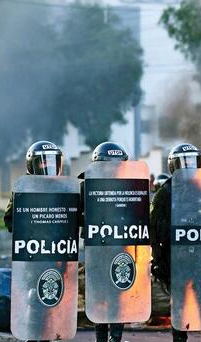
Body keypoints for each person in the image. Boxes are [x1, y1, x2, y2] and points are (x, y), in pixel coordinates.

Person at [151, 143, 201, 342]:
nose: (189, 166)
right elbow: (154, 230)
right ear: (174, 165)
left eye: (192, 161)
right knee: (179, 304)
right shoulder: (165, 192)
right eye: (184, 162)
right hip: (176, 259)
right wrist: (160, 261)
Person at [4, 140, 65, 342]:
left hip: (56, 252)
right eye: (43, 162)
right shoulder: (24, 187)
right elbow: (9, 219)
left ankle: (45, 337)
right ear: (32, 164)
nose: (48, 166)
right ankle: (32, 337)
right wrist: (29, 231)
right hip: (33, 253)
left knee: (52, 299)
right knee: (34, 296)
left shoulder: (64, 188)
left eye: (52, 161)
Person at [80, 142, 128, 342]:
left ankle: (115, 338)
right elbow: (75, 215)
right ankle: (101, 338)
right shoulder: (87, 185)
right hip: (97, 248)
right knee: (99, 295)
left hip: (120, 245)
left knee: (118, 293)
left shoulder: (130, 183)